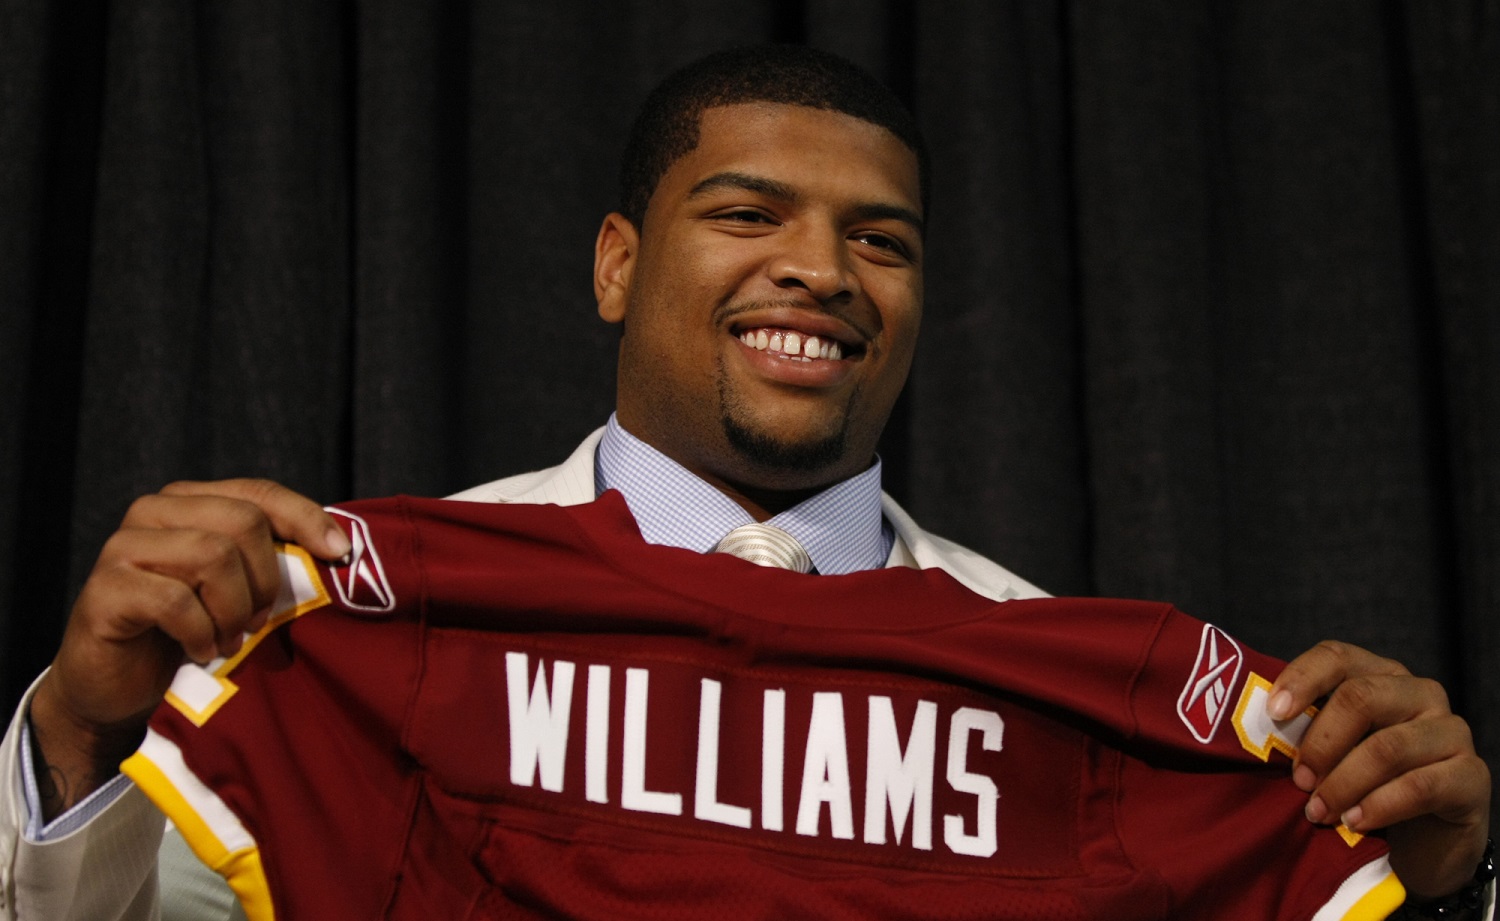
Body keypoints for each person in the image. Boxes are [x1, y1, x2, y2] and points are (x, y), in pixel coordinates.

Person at [0, 44, 1490, 921]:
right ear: (616, 264)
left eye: (883, 242)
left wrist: (1434, 872)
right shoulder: (371, 616)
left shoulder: (1064, 687)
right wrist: (80, 734)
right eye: (748, 212)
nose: (822, 274)